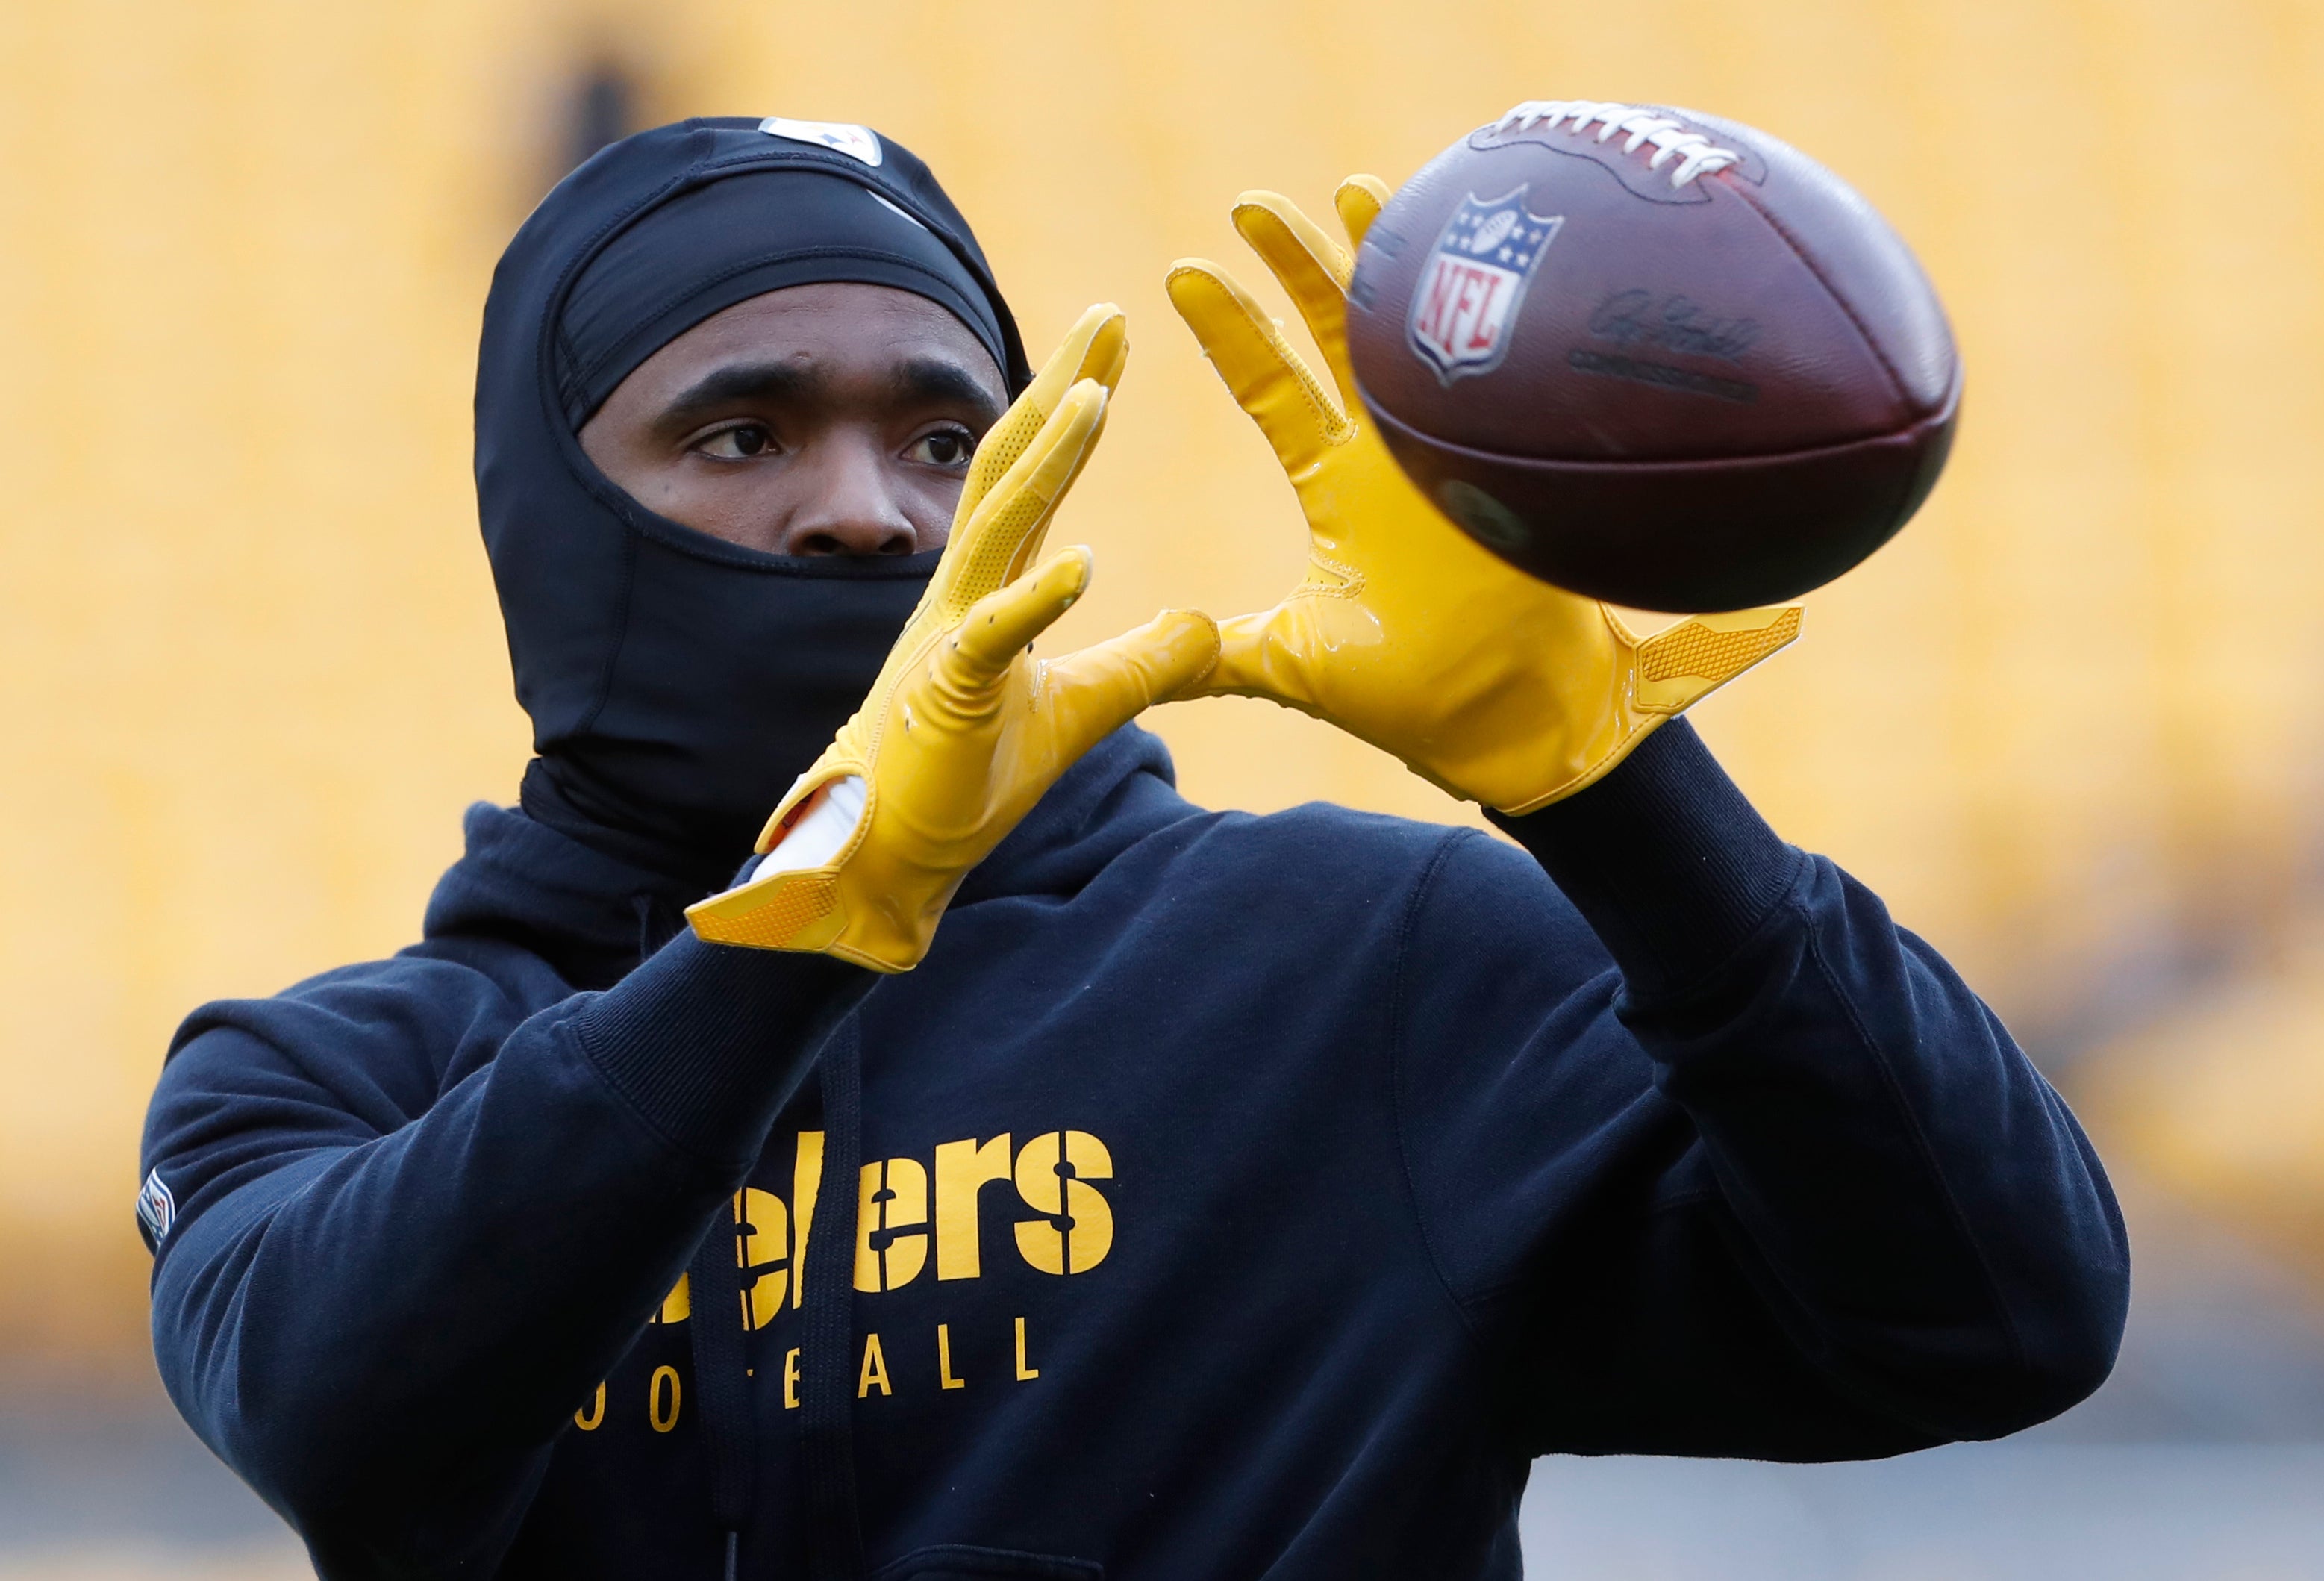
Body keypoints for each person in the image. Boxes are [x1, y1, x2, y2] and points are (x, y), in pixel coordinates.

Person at [139, 116, 2129, 1581]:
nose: (873, 511)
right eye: (743, 434)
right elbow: (351, 1423)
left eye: (944, 438)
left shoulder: (1357, 965)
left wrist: (1610, 788)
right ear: (546, 522)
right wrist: (817, 915)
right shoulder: (331, 1077)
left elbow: (1991, 1314)